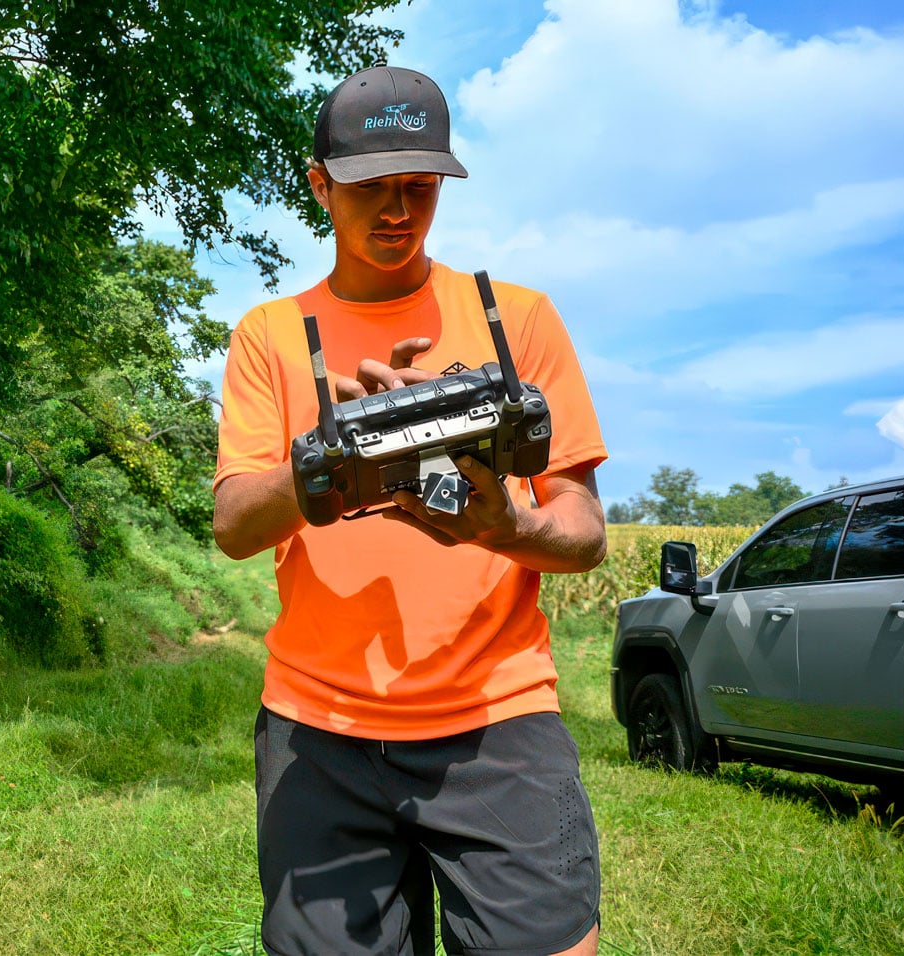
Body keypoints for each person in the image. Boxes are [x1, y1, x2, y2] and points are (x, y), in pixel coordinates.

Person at [212, 65, 608, 956]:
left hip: (498, 720)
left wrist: (510, 527)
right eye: (372, 188)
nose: (398, 211)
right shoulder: (272, 336)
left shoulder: (518, 319)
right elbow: (236, 525)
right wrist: (328, 453)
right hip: (320, 731)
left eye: (420, 188)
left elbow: (583, 532)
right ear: (320, 186)